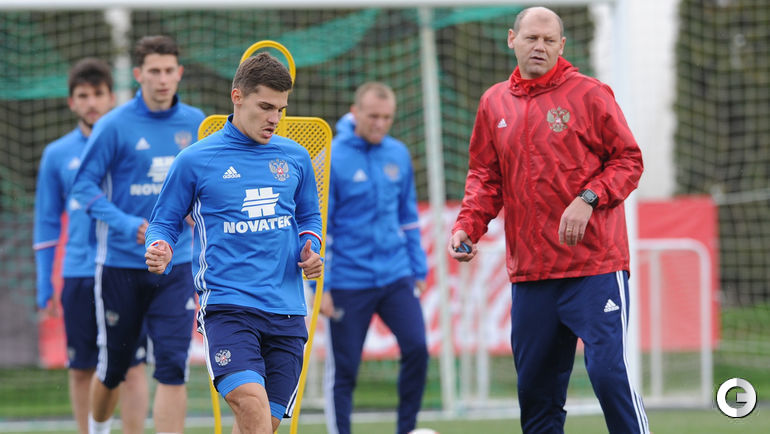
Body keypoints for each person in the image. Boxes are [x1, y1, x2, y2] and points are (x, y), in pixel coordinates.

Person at [448, 7, 649, 434]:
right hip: (532, 274)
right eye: (531, 38)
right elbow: (485, 176)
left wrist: (589, 198)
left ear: (562, 46)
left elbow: (629, 160)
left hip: (594, 268)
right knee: (537, 396)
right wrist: (468, 224)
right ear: (511, 39)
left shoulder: (590, 94)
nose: (539, 46)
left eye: (548, 40)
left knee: (609, 375)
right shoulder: (493, 102)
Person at [143, 52, 324, 434]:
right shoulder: (195, 160)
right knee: (251, 405)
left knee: (260, 425)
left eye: (281, 109)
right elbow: (164, 221)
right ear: (237, 97)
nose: (274, 118)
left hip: (287, 310)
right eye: (265, 107)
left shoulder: (296, 157)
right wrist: (161, 247)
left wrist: (310, 248)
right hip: (229, 307)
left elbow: (309, 217)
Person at [70, 36, 205, 434]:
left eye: (169, 71)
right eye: (154, 71)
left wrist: (197, 210)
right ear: (138, 74)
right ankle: (98, 430)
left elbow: (207, 182)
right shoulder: (114, 125)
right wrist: (129, 225)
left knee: (173, 369)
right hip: (120, 267)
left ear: (179, 73)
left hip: (176, 265)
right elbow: (83, 187)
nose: (162, 79)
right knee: (114, 368)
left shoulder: (197, 123)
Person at [33, 58, 149, 434]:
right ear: (72, 102)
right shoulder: (57, 154)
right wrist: (44, 282)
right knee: (82, 367)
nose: (92, 102)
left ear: (112, 97)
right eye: (83, 95)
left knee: (132, 366)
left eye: (98, 94)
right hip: (80, 272)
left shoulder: (130, 143)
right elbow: (47, 222)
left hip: (125, 268)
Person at [321, 82, 429, 434]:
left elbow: (408, 217)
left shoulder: (398, 154)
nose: (380, 123)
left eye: (387, 117)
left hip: (396, 275)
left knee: (417, 348)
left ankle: (407, 429)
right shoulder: (332, 156)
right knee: (345, 369)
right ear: (355, 112)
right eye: (373, 116)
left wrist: (418, 268)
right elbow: (320, 228)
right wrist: (320, 287)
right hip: (348, 282)